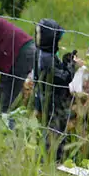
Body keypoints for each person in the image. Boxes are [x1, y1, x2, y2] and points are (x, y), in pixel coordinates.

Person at [33, 19, 80, 161]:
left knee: (52, 130)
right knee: (55, 132)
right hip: (53, 102)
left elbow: (58, 72)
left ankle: (50, 159)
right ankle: (52, 161)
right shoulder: (46, 59)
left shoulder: (43, 53)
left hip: (46, 99)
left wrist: (66, 61)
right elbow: (63, 78)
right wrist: (71, 66)